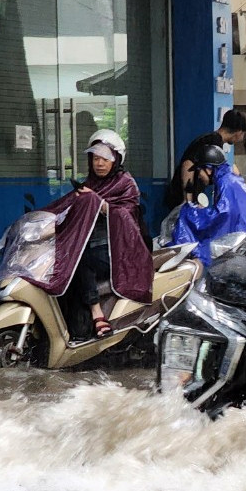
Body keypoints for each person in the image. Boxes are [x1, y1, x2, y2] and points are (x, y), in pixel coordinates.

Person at [36, 129, 152, 340]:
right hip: (90, 247)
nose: (99, 164)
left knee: (80, 260)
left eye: (105, 159)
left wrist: (99, 204)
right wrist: (40, 228)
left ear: (115, 160)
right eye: (95, 158)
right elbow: (65, 212)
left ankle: (97, 314)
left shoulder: (126, 184)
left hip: (119, 253)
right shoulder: (88, 185)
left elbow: (126, 217)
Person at [171, 142, 246, 264]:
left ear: (209, 169)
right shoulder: (229, 180)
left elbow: (221, 217)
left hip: (242, 241)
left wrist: (193, 213)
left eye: (199, 171)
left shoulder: (226, 184)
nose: (199, 176)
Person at [163, 110, 246, 210]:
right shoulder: (212, 142)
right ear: (239, 132)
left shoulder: (213, 141)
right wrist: (188, 201)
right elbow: (187, 165)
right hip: (182, 198)